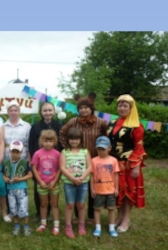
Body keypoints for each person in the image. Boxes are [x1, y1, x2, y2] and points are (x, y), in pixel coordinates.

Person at [59, 93, 109, 222]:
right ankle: (77, 215)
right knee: (76, 186)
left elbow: (109, 135)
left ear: (91, 108)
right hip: (77, 160)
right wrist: (68, 149)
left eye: (86, 107)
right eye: (81, 108)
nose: (83, 110)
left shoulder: (100, 122)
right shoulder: (73, 122)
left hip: (95, 160)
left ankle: (91, 216)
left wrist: (105, 151)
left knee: (93, 187)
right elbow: (62, 133)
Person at [107, 94, 147, 232]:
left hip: (128, 164)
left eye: (125, 106)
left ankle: (126, 219)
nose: (122, 108)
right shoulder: (112, 123)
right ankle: (119, 217)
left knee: (128, 192)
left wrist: (136, 166)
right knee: (117, 191)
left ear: (131, 108)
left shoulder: (136, 126)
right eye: (120, 105)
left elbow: (139, 147)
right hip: (113, 163)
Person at [29, 101, 62, 220]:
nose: (47, 113)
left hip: (54, 161)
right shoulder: (35, 126)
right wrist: (33, 160)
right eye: (45, 110)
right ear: (41, 112)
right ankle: (40, 212)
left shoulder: (59, 125)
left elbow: (61, 144)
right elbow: (31, 144)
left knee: (53, 186)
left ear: (54, 111)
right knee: (38, 187)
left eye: (50, 110)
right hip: (39, 161)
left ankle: (51, 211)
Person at [60, 126, 92, 238]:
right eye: (72, 139)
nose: (74, 141)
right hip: (69, 184)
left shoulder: (85, 151)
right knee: (70, 205)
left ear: (81, 140)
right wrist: (73, 179)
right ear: (68, 140)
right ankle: (68, 226)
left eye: (77, 139)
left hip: (83, 183)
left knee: (81, 205)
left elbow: (89, 167)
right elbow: (62, 168)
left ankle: (81, 225)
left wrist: (81, 178)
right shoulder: (65, 152)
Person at [31, 129, 62, 235]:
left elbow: (60, 169)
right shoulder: (37, 153)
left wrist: (55, 181)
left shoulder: (57, 154)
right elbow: (34, 168)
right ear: (41, 141)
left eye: (50, 141)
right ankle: (43, 224)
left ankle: (56, 226)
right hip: (42, 183)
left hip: (54, 184)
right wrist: (40, 181)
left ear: (54, 141)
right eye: (46, 141)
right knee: (43, 204)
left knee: (54, 204)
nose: (48, 143)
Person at [1, 140, 33, 237]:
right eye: (13, 151)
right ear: (9, 151)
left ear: (21, 152)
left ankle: (26, 226)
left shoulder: (24, 162)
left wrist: (20, 179)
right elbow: (3, 174)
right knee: (13, 208)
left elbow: (30, 175)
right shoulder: (6, 163)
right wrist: (5, 179)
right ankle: (16, 225)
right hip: (10, 189)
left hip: (21, 189)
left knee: (23, 208)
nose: (15, 154)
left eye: (17, 152)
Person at [90, 136, 120, 238]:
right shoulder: (93, 161)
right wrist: (92, 188)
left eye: (103, 149)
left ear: (109, 148)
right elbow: (92, 175)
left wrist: (116, 188)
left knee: (111, 209)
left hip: (110, 190)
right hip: (98, 190)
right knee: (97, 209)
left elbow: (116, 175)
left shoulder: (114, 160)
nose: (101, 151)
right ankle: (98, 227)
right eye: (99, 149)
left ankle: (111, 228)